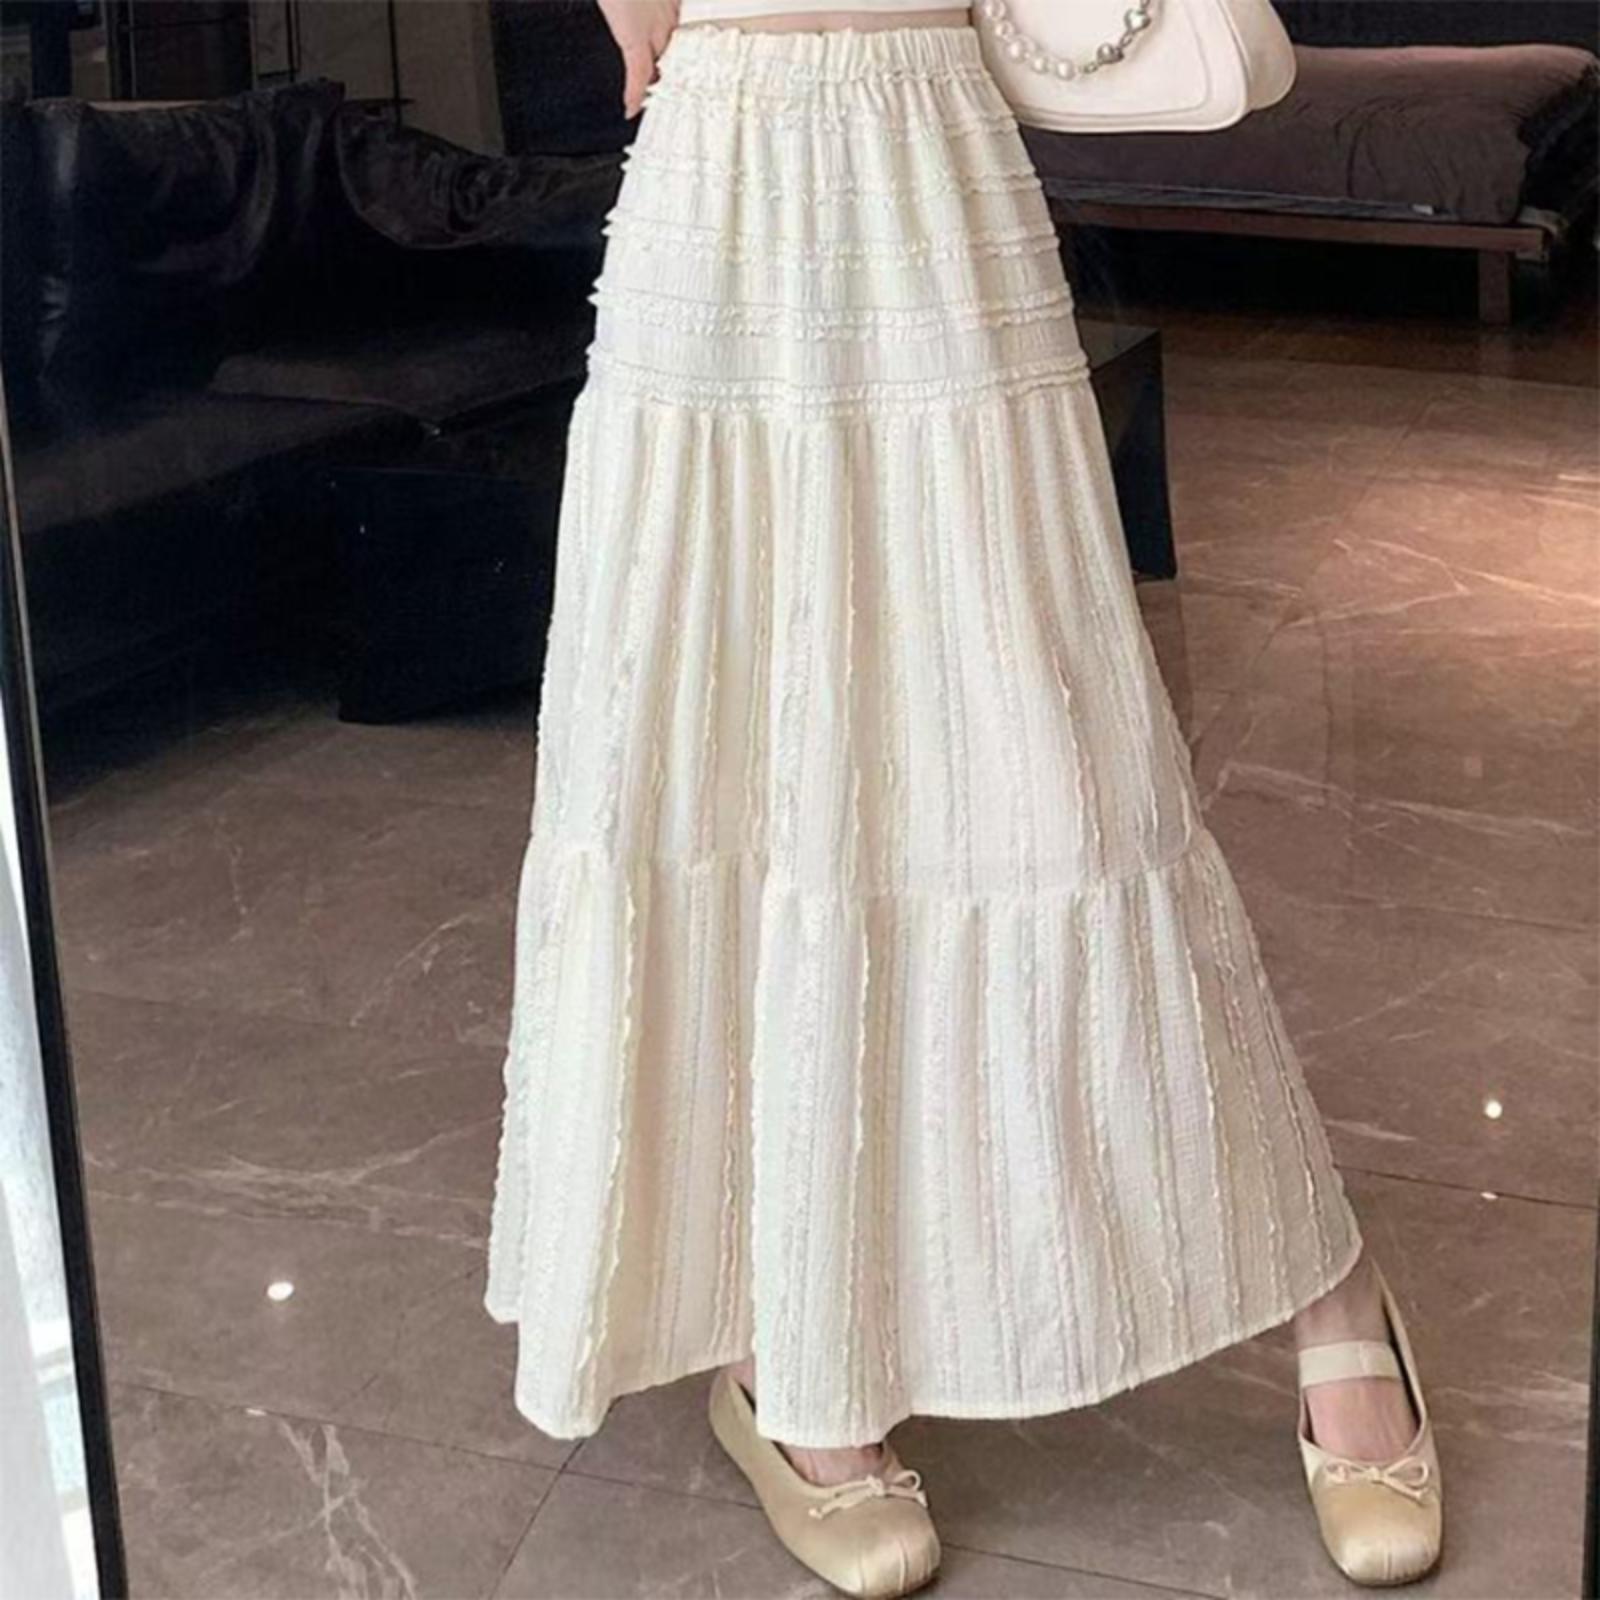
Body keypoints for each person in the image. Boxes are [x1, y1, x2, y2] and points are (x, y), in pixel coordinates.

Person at [485, 3, 1445, 1594]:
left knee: (1059, 769)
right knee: (733, 758)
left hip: (930, 153)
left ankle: (1330, 1287)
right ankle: (784, 1354)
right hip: (719, 180)